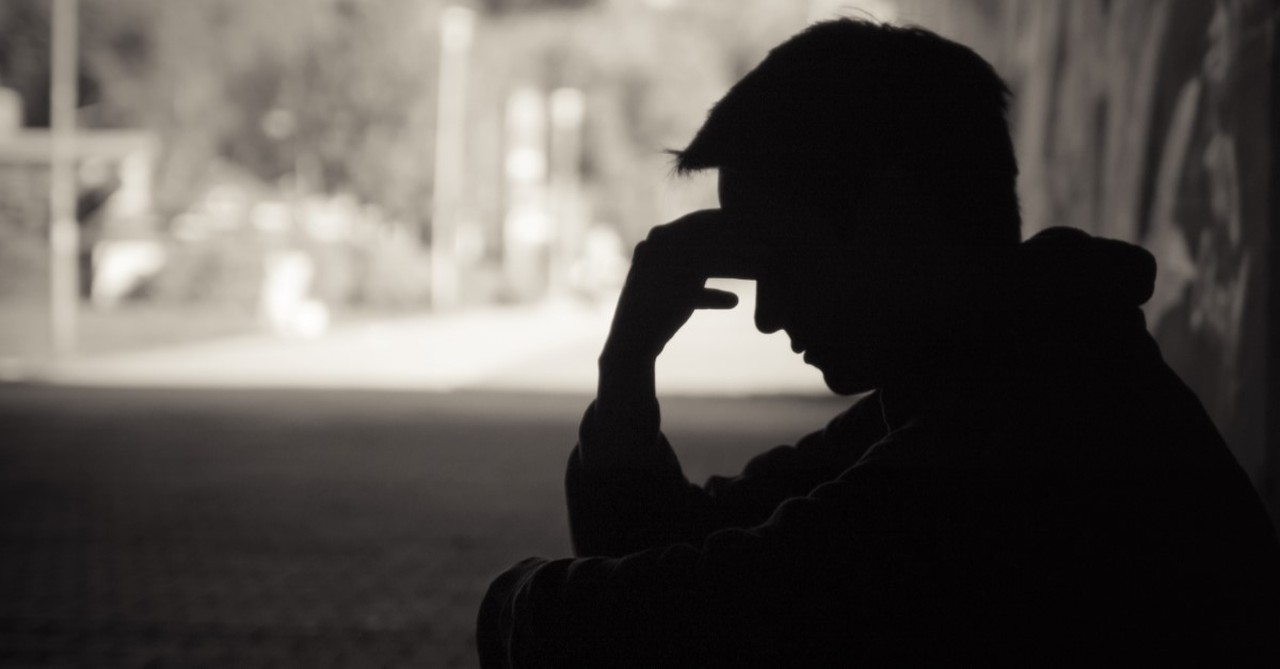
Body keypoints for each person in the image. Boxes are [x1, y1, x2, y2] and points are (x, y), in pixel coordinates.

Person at [477, 19, 1280, 667]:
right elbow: (693, 545)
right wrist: (626, 372)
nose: (768, 315)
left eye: (783, 258)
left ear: (897, 217)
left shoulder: (1025, 429)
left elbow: (692, 618)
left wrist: (508, 604)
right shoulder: (996, 369)